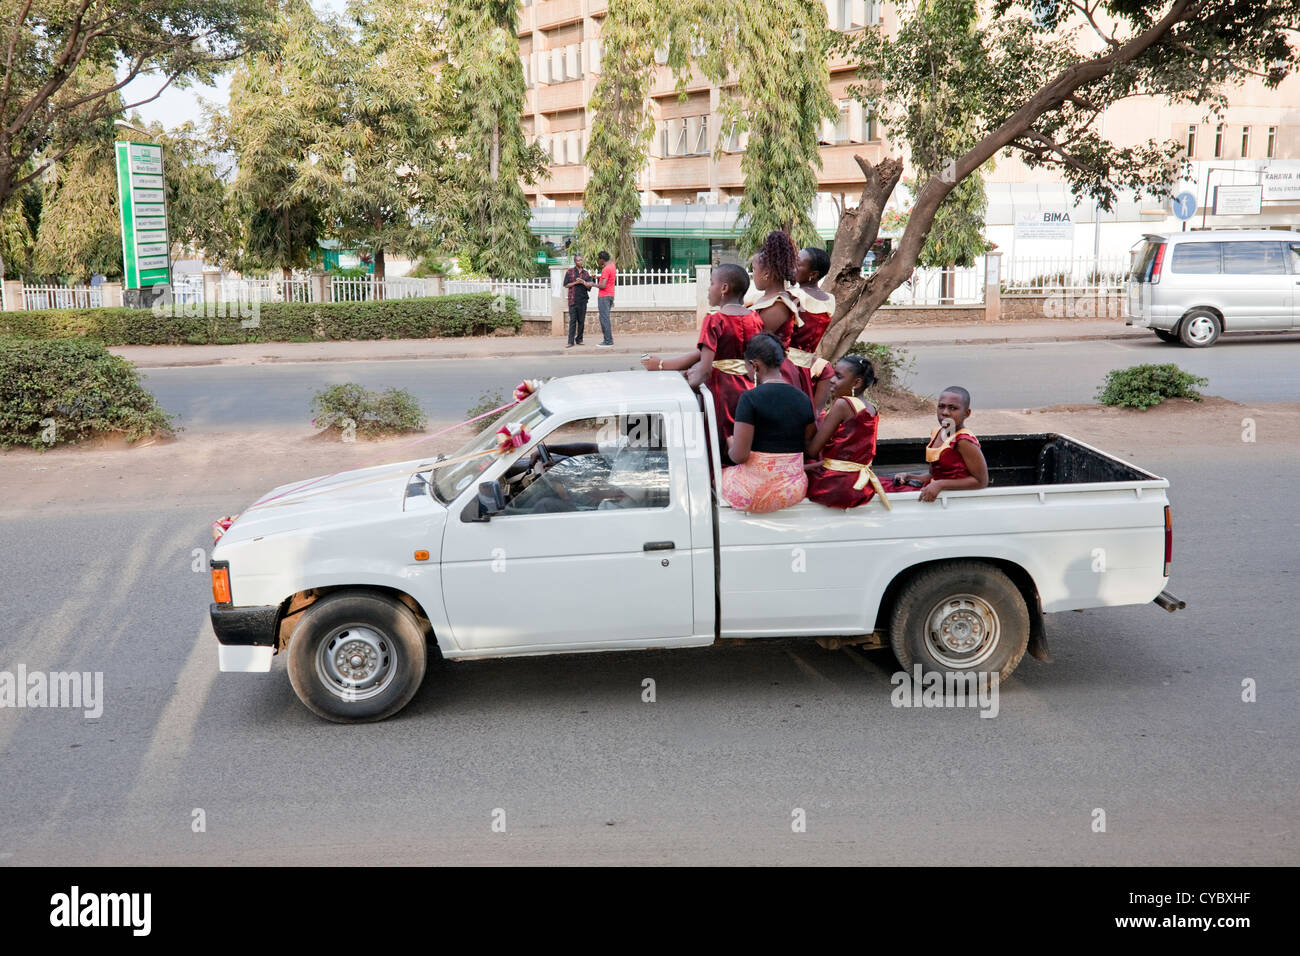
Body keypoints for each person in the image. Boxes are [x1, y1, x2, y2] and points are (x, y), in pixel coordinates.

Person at [640, 264, 762, 462]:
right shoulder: (755, 318)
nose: (708, 288)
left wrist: (684, 388)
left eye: (711, 283)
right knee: (742, 438)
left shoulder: (714, 320)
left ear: (724, 288)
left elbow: (704, 370)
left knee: (716, 441)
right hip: (749, 389)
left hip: (720, 392)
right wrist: (663, 364)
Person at [721, 332, 816, 513]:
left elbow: (739, 456)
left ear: (754, 365)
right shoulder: (803, 398)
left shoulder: (749, 399)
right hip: (794, 490)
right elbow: (807, 440)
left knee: (716, 476)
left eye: (746, 367)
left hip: (754, 492)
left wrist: (730, 441)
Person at [805, 356, 890, 510]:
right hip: (859, 481)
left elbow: (812, 451)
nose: (831, 380)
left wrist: (807, 422)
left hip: (836, 483)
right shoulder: (871, 408)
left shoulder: (843, 404)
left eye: (838, 376)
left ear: (856, 382)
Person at [883, 386, 989, 502]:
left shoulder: (963, 441)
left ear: (967, 413)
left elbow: (981, 481)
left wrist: (941, 485)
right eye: (941, 406)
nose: (945, 412)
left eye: (953, 408)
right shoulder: (937, 433)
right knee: (875, 484)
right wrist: (909, 476)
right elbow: (933, 475)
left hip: (950, 499)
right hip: (932, 489)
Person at [788, 246, 837, 407]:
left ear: (813, 274)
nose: (792, 267)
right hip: (808, 366)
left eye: (798, 264)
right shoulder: (830, 299)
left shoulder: (794, 296)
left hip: (786, 366)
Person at [563, 255, 594, 347]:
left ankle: (579, 339)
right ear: (575, 262)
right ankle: (570, 341)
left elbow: (589, 286)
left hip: (583, 300)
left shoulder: (585, 273)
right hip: (572, 300)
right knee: (573, 321)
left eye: (581, 260)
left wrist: (583, 282)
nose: (580, 262)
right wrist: (576, 282)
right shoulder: (570, 272)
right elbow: (566, 285)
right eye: (578, 260)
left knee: (581, 321)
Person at [595, 250, 617, 348]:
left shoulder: (606, 269)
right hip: (610, 295)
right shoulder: (612, 266)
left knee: (604, 319)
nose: (598, 261)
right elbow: (609, 281)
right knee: (605, 318)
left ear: (602, 259)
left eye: (599, 259)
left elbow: (603, 285)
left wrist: (592, 284)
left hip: (604, 296)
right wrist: (598, 277)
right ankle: (608, 340)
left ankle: (608, 341)